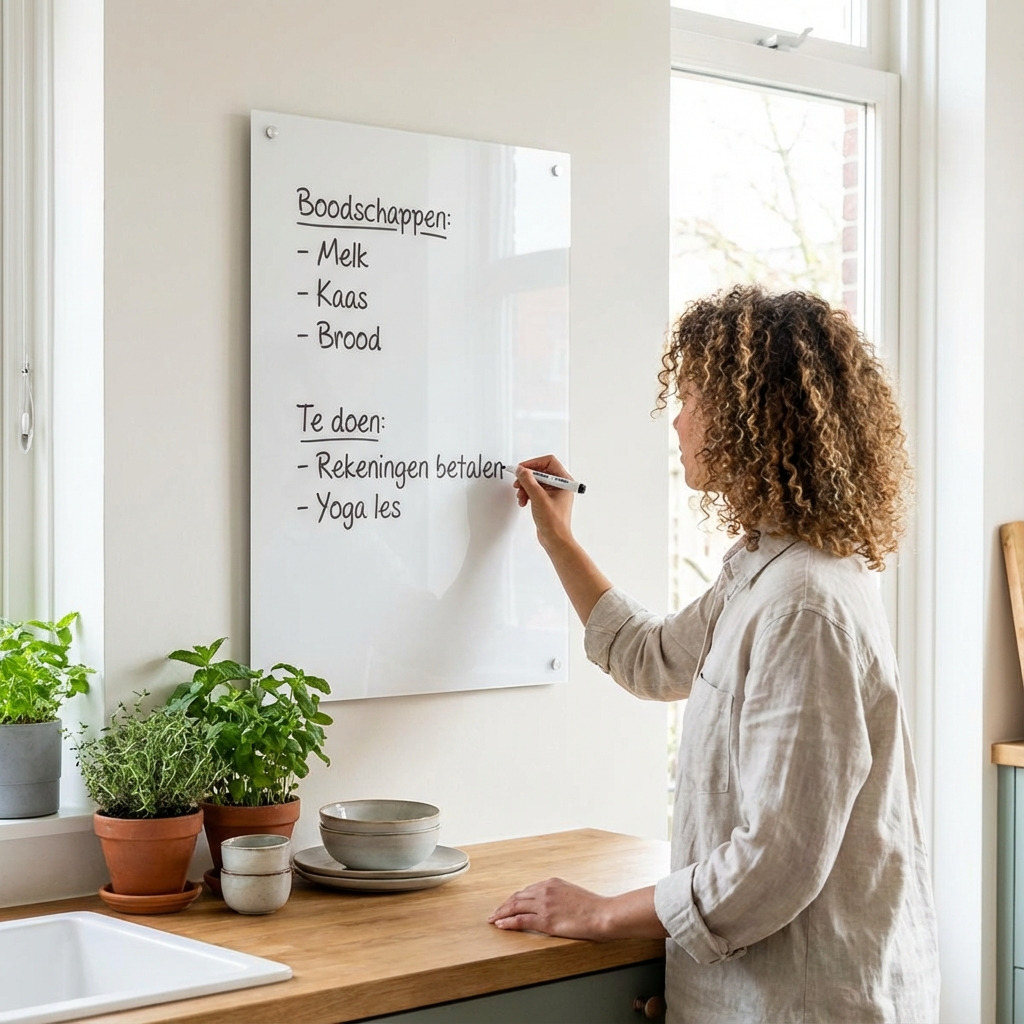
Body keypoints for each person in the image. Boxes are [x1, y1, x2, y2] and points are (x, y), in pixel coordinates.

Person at [489, 285, 940, 1023]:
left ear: (747, 417)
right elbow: (654, 657)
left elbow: (773, 863)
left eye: (693, 395)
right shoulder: (765, 567)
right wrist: (558, 540)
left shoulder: (805, 602)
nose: (678, 420)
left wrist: (603, 914)